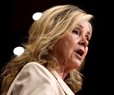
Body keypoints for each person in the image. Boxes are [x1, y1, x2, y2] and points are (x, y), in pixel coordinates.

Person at [0, 4, 93, 95]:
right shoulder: (38, 74)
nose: (85, 42)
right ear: (53, 36)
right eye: (76, 32)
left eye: (87, 37)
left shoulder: (58, 86)